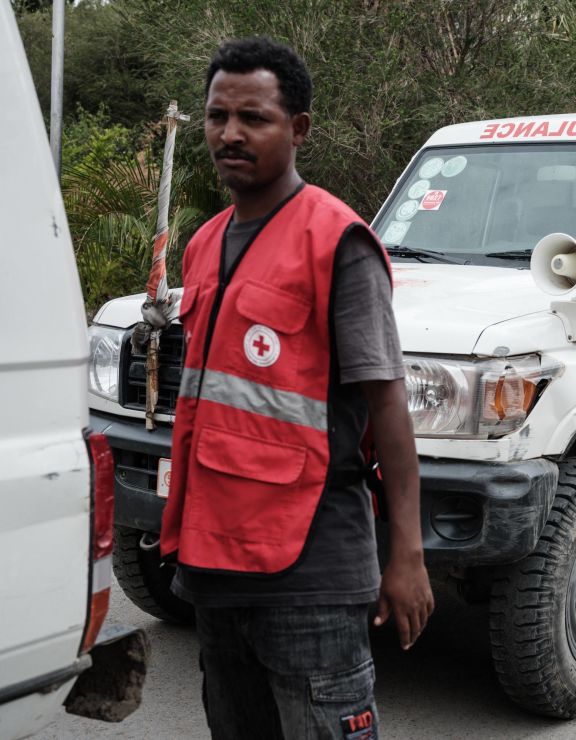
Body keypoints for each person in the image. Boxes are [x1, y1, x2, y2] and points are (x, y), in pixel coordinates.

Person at [160, 37, 433, 738]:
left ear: (298, 129)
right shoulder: (203, 245)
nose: (230, 134)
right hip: (216, 559)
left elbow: (387, 403)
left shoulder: (337, 242)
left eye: (253, 118)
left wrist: (406, 555)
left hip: (309, 569)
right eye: (218, 116)